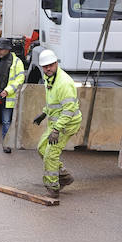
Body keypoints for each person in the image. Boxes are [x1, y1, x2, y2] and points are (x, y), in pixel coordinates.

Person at [31, 48, 82, 199]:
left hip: (67, 124)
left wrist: (57, 130)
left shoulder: (64, 83)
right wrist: (44, 113)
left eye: (51, 65)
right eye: (45, 66)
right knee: (41, 148)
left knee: (50, 155)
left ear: (56, 64)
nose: (48, 69)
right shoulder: (49, 78)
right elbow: (54, 102)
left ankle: (53, 188)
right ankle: (64, 176)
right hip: (56, 123)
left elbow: (68, 111)